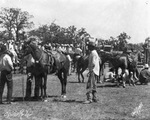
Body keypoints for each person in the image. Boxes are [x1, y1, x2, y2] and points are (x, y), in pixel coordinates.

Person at [83, 39, 100, 104]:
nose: (88, 47)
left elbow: (93, 63)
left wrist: (90, 70)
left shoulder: (93, 53)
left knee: (89, 85)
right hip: (95, 71)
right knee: (94, 84)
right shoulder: (95, 52)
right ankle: (94, 97)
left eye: (89, 46)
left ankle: (89, 98)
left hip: (93, 71)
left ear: (91, 47)